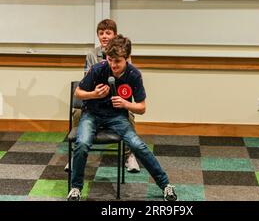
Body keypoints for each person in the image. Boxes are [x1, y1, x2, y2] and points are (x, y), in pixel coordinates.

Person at [67, 34, 177, 202]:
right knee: (82, 144)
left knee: (138, 145)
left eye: (117, 61)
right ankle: (76, 188)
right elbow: (78, 93)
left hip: (117, 117)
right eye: (110, 60)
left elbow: (141, 108)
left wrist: (126, 104)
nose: (113, 65)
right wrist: (93, 94)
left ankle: (166, 185)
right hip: (92, 114)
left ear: (127, 58)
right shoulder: (98, 69)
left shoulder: (134, 74)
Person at [66, 18, 140, 173]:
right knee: (78, 113)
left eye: (108, 33)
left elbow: (127, 79)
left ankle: (129, 155)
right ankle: (76, 155)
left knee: (129, 115)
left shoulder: (124, 54)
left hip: (115, 99)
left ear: (115, 35)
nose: (105, 36)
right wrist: (95, 92)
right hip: (96, 97)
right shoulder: (92, 54)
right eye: (101, 33)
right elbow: (87, 80)